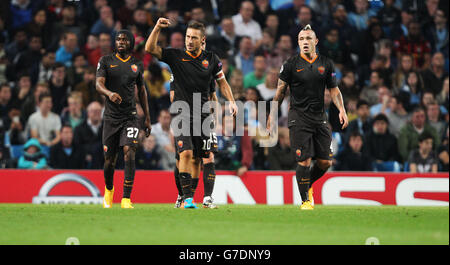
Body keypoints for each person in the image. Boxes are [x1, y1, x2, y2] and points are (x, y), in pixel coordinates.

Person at [145, 19, 238, 209]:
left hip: (204, 115)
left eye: (193, 38)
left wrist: (232, 102)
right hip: (182, 113)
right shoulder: (176, 56)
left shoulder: (212, 60)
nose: (189, 41)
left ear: (202, 40)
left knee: (205, 157)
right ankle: (186, 198)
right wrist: (157, 28)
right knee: (185, 154)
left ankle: (205, 198)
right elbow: (149, 49)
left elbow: (222, 83)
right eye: (187, 36)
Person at [267, 24, 348, 210]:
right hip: (298, 117)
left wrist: (341, 109)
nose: (305, 42)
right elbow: (280, 92)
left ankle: (307, 183)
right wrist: (272, 115)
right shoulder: (290, 64)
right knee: (304, 160)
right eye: (302, 39)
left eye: (308, 39)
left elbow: (334, 90)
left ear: (316, 41)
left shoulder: (326, 63)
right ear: (298, 42)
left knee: (326, 161)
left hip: (320, 117)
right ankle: (305, 200)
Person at [96, 29, 152, 209]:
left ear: (131, 43)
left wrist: (148, 119)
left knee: (129, 152)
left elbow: (142, 92)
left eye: (124, 40)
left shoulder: (136, 64)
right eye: (118, 39)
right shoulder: (105, 61)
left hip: (130, 116)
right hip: (111, 118)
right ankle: (109, 189)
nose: (120, 42)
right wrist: (109, 93)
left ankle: (126, 198)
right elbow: (98, 84)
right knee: (109, 161)